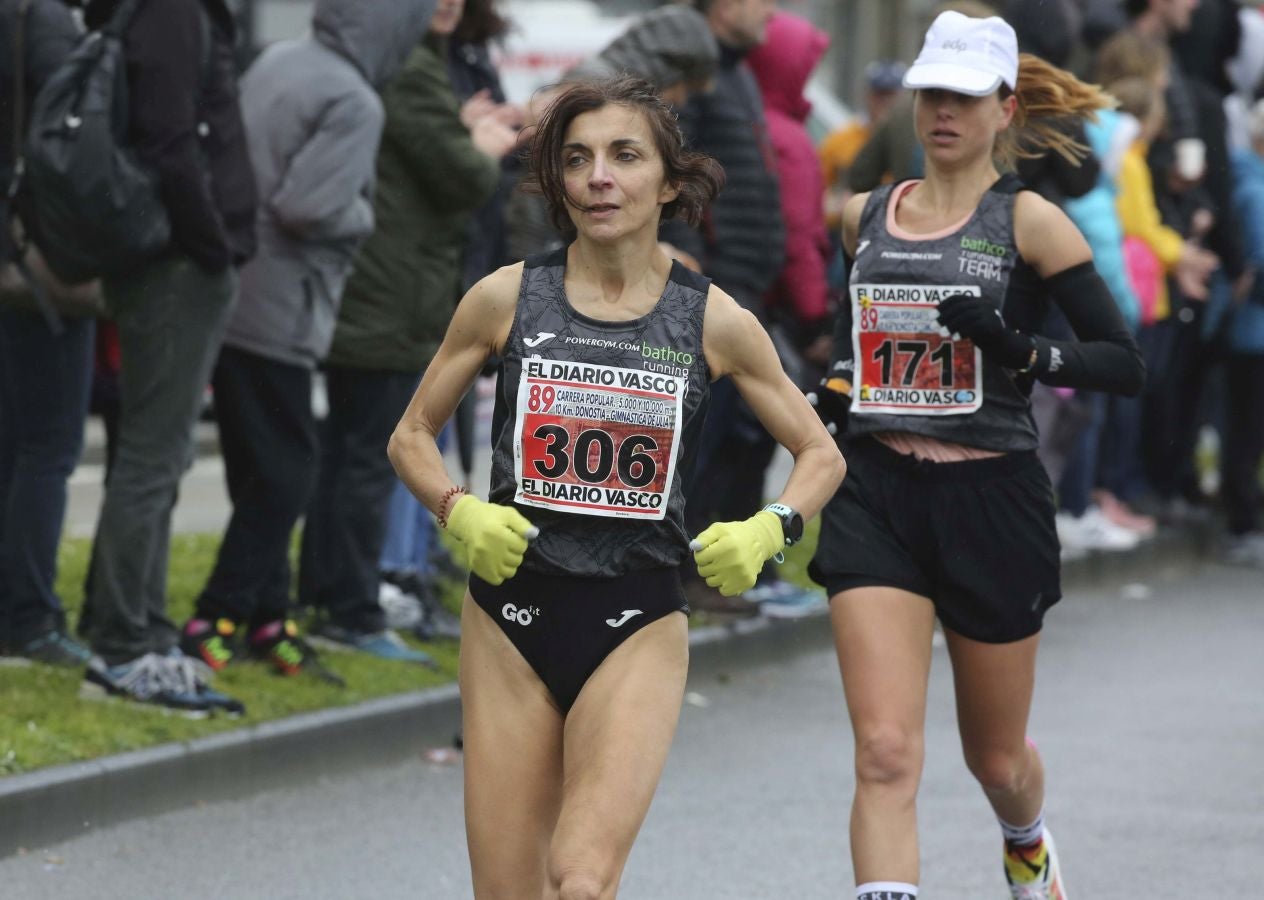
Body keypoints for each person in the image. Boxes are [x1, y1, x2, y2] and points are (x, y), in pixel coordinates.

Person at [387, 76, 845, 899]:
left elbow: (821, 453)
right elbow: (409, 436)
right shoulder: (504, 297)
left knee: (583, 880)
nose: (599, 176)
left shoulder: (712, 319)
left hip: (635, 616)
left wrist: (770, 528)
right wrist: (458, 512)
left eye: (624, 156)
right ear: (559, 184)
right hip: (509, 616)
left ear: (669, 182)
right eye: (578, 159)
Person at [809, 13, 1144, 899]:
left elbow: (1125, 364)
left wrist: (1023, 350)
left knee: (994, 758)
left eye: (963, 96)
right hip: (877, 495)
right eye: (931, 95)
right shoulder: (862, 218)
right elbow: (851, 352)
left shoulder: (1033, 223)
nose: (943, 112)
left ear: (1005, 108)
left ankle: (1025, 839)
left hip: (990, 501)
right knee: (884, 752)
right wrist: (835, 395)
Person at [176, 0, 438, 678]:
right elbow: (310, 205)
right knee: (288, 477)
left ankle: (268, 620)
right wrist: (363, 212)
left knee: (258, 470)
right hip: (281, 310)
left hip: (232, 290)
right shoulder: (356, 100)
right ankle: (216, 616)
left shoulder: (283, 59)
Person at [298, 0, 518, 662]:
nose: (446, 4)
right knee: (370, 457)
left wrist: (459, 132)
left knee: (344, 452)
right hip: (392, 298)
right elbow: (462, 176)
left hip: (380, 291)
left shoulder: (403, 65)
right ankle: (354, 610)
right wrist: (479, 146)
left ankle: (326, 595)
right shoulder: (415, 69)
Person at [77, 0, 257, 715]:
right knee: (154, 455)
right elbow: (171, 141)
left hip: (170, 257)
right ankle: (125, 647)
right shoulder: (173, 10)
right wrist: (213, 246)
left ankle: (139, 631)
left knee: (160, 453)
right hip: (178, 261)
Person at [0, 0, 93, 667]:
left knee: (13, 444)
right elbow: (74, 143)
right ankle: (31, 617)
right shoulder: (46, 23)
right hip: (38, 264)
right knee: (48, 447)